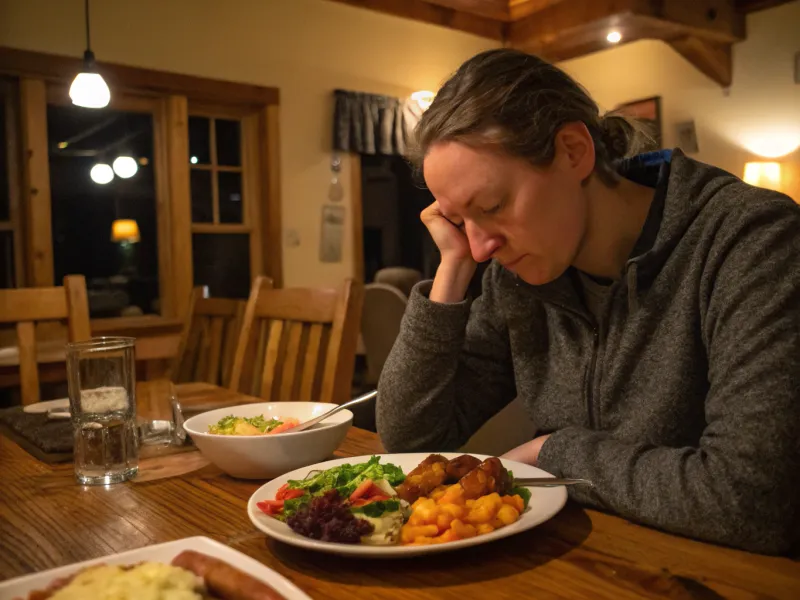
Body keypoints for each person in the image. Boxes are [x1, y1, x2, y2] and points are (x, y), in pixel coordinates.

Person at [375, 49, 800, 555]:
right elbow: (410, 437)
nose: (480, 244)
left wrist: (555, 453)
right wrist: (452, 272)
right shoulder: (515, 273)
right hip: (579, 562)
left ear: (574, 150)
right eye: (459, 220)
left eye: (490, 206)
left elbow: (751, 499)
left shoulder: (751, 242)